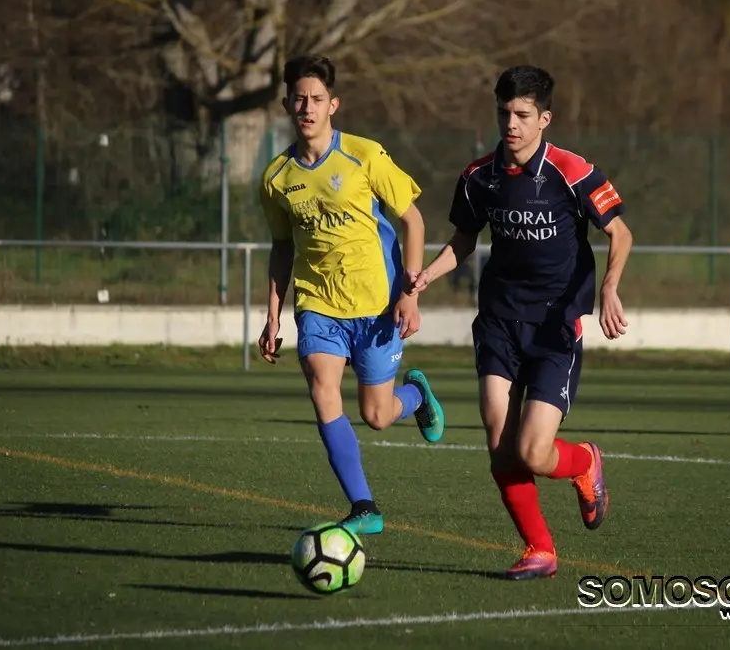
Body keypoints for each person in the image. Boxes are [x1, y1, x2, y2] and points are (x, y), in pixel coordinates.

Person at [410, 65, 633, 579]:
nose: (510, 123)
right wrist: (426, 277)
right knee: (500, 443)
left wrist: (609, 288)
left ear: (544, 119)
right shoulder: (478, 177)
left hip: (555, 327)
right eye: (504, 113)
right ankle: (540, 550)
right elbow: (463, 240)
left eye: (522, 115)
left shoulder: (572, 171)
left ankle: (585, 462)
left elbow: (620, 233)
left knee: (533, 451)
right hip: (499, 323)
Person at [257, 54, 445, 537]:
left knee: (377, 415)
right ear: (286, 104)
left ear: (333, 105)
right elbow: (282, 247)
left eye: (317, 99)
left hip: (377, 303)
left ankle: (415, 395)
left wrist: (410, 295)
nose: (308, 107)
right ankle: (364, 506)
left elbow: (413, 220)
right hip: (318, 304)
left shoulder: (364, 154)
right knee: (322, 389)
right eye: (299, 99)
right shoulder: (276, 178)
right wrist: (273, 315)